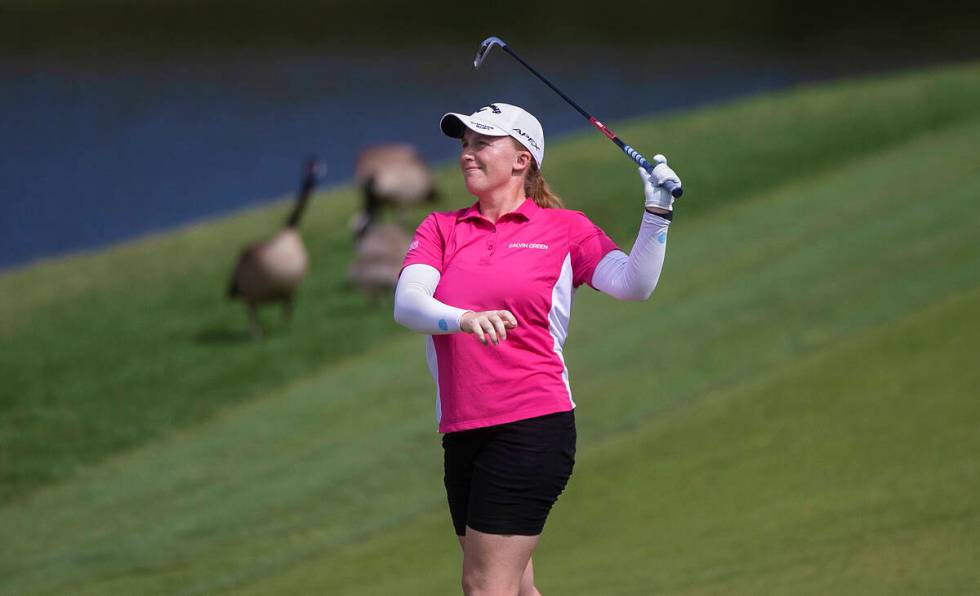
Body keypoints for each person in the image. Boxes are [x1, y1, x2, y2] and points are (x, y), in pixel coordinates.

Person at [393, 102, 681, 595]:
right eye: (464, 143)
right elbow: (407, 304)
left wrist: (657, 214)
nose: (467, 154)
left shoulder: (564, 229)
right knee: (516, 588)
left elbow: (632, 284)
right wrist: (464, 318)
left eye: (483, 143)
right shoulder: (441, 228)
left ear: (522, 159)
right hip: (462, 429)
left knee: (485, 587)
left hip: (530, 425)